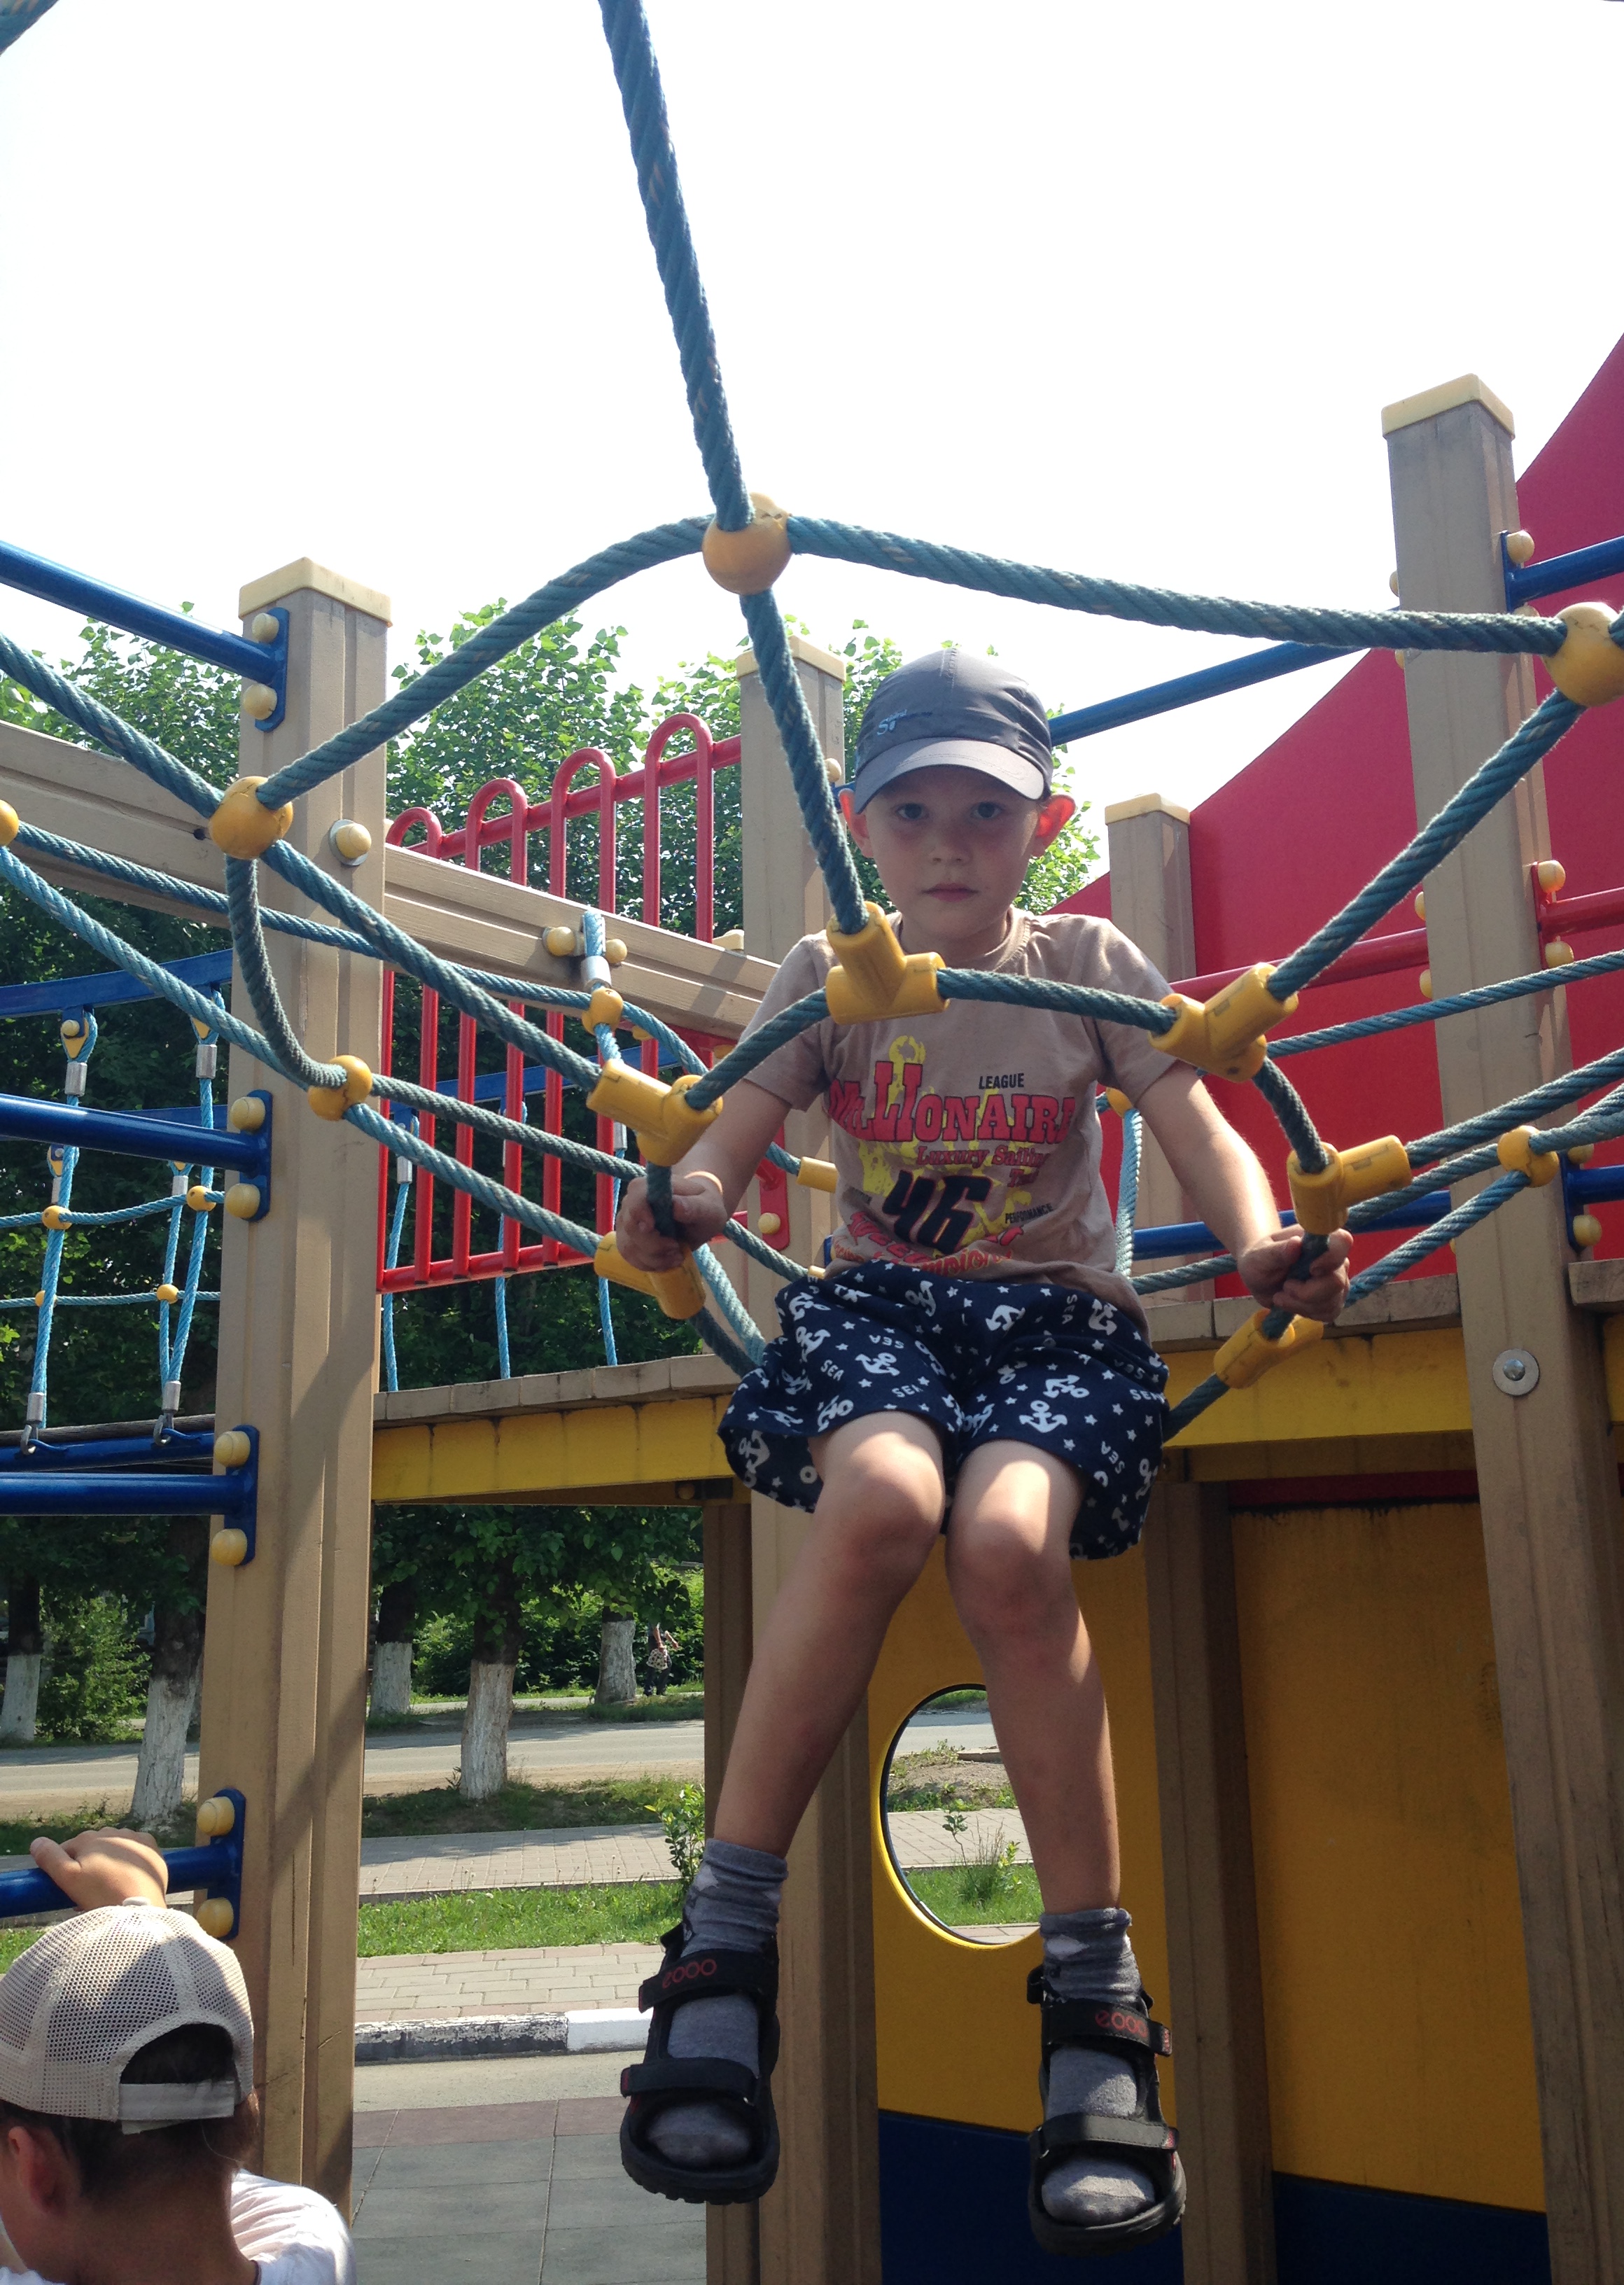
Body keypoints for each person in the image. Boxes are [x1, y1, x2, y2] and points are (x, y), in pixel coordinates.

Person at [612, 649, 1350, 2255]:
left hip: (1055, 1332)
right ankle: (722, 1950)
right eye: (912, 813)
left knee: (1009, 1545)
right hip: (883, 1316)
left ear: (1042, 828)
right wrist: (679, 1204)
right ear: (861, 826)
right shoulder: (831, 972)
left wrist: (1259, 1248)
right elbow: (720, 1150)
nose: (947, 845)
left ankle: (1094, 2006)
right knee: (883, 1500)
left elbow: (1203, 1130)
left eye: (984, 815)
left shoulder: (1084, 961)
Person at [0, 1827, 352, 2285]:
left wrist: (137, 1912)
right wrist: (144, 1920)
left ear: (34, 2169)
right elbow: (182, 2167)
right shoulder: (318, 2250)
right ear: (245, 2117)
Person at [641, 1625, 680, 1698]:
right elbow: (655, 1629)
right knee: (656, 1665)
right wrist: (659, 1643)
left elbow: (664, 1632)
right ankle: (651, 1690)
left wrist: (672, 1641)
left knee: (659, 1665)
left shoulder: (662, 1620)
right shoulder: (655, 1618)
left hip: (659, 1640)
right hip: (655, 1640)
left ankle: (655, 1689)